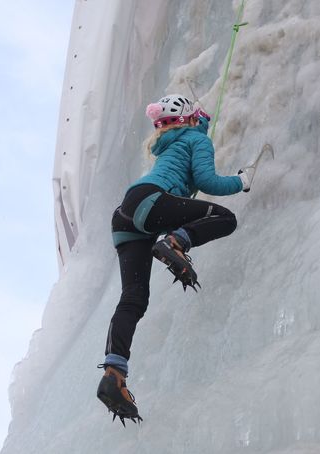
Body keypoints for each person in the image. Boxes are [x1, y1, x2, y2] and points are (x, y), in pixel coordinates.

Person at [96, 94, 251, 425]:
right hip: (151, 202)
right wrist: (242, 180)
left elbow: (190, 145)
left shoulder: (167, 145)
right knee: (226, 218)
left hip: (125, 214)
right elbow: (208, 182)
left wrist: (200, 122)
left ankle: (114, 372)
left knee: (134, 297)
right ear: (193, 120)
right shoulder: (196, 138)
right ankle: (176, 242)